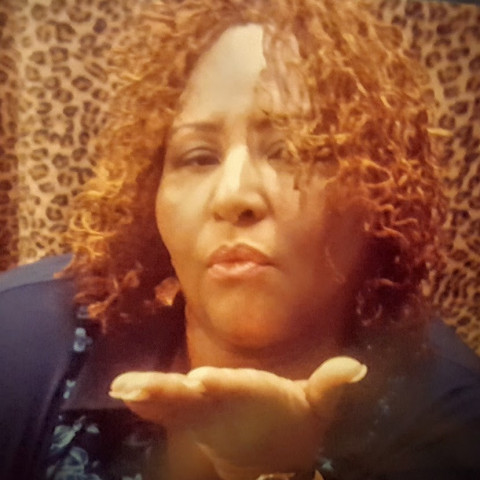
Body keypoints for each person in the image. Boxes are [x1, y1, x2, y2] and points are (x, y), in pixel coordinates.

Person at [1, 0, 479, 479]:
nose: (233, 196)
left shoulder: (450, 419)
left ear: (376, 192)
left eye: (291, 151)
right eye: (198, 157)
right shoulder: (20, 342)